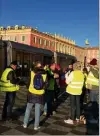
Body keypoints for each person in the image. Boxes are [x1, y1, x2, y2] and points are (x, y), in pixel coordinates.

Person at [23, 61, 47, 130]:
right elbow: (46, 85)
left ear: (35, 66)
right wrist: (43, 89)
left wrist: (28, 88)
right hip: (40, 94)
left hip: (31, 93)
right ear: (41, 66)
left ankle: (25, 124)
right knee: (37, 110)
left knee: (28, 109)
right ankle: (36, 126)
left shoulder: (32, 72)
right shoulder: (45, 74)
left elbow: (28, 82)